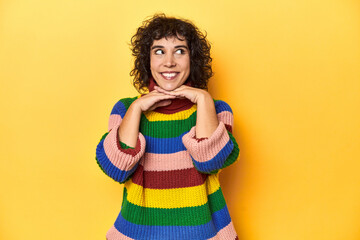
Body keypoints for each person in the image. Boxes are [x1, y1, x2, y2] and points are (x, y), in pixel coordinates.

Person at [95, 13, 240, 240]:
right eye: (159, 51)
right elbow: (116, 168)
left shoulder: (217, 109)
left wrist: (203, 100)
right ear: (147, 60)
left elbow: (210, 162)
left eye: (180, 51)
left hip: (204, 233)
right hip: (137, 233)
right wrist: (136, 109)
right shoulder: (125, 109)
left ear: (193, 59)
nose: (169, 61)